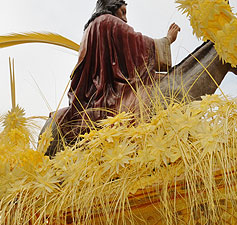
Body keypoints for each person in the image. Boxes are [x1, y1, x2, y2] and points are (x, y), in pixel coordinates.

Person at [47, 0, 180, 154]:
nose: (125, 19)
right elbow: (136, 45)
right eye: (123, 12)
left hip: (91, 98)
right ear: (111, 7)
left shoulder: (89, 30)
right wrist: (168, 40)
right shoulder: (108, 21)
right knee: (166, 87)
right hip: (111, 93)